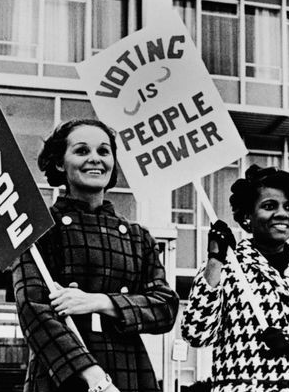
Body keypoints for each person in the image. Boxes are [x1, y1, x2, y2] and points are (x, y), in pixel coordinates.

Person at [12, 119, 179, 392]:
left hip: (129, 371)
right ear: (59, 163)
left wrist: (98, 301)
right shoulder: (38, 230)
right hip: (65, 377)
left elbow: (165, 307)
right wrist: (94, 377)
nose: (95, 159)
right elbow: (33, 310)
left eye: (103, 151)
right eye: (81, 151)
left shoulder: (138, 237)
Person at [181, 164, 289, 391]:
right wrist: (215, 258)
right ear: (247, 215)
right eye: (269, 206)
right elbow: (196, 334)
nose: (282, 213)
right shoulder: (225, 269)